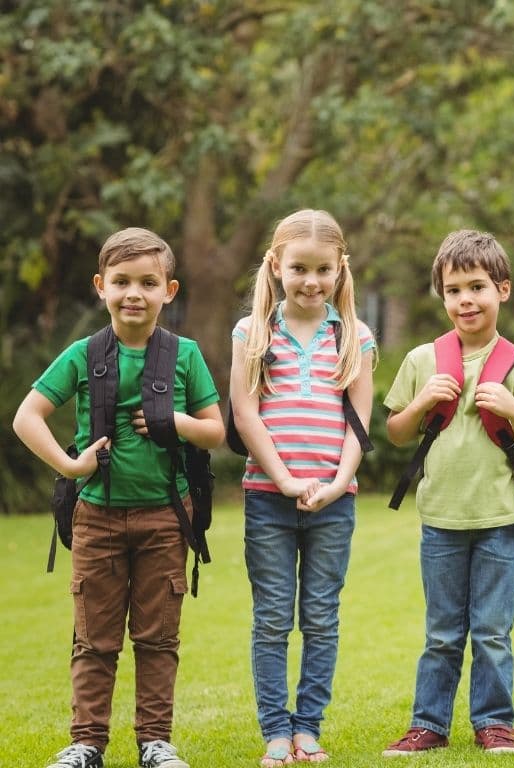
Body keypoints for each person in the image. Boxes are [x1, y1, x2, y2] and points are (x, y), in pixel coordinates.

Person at [14, 228, 224, 768]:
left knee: (158, 639)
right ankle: (86, 744)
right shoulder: (84, 355)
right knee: (94, 639)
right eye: (122, 282)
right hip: (97, 516)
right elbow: (27, 416)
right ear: (100, 287)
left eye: (148, 283)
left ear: (169, 291)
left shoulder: (185, 355)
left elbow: (215, 432)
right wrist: (69, 465)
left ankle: (155, 743)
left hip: (165, 516)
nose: (134, 293)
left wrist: (175, 421)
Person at [381, 230, 514, 757]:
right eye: (454, 290)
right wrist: (420, 403)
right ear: (443, 296)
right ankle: (428, 723)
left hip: (500, 520)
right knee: (441, 633)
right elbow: (395, 432)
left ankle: (495, 723)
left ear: (502, 289)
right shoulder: (421, 361)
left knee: (493, 632)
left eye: (477, 286)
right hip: (440, 521)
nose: (466, 300)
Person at [228, 210, 376, 766]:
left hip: (334, 503)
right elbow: (246, 414)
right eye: (298, 269)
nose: (310, 281)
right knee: (271, 618)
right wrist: (284, 479)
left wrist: (339, 483)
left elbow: (359, 420)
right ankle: (275, 732)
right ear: (276, 266)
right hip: (268, 498)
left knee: (320, 617)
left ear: (339, 270)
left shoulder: (354, 336)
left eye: (322, 269)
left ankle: (307, 729)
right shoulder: (252, 333)